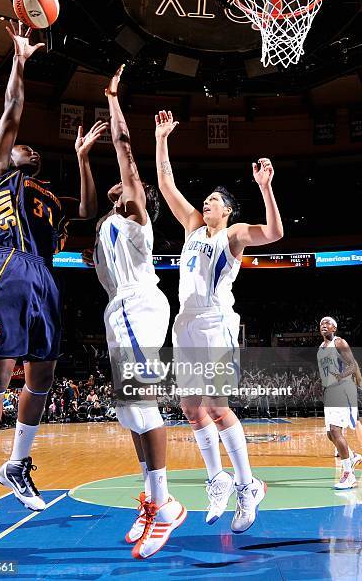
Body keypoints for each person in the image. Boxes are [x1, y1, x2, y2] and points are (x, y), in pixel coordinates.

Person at [0, 20, 108, 535]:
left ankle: (17, 465)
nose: (24, 147)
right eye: (18, 146)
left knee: (42, 377)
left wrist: (82, 159)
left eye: (31, 149)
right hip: (4, 266)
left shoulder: (48, 198)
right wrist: (20, 61)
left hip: (44, 278)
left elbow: (90, 210)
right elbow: (11, 112)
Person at [154, 109, 283, 532]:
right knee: (190, 408)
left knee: (216, 405)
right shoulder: (192, 226)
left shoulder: (234, 234)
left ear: (226, 211)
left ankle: (248, 485)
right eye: (205, 199)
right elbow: (166, 184)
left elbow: (275, 234)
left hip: (216, 322)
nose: (205, 202)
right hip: (186, 322)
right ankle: (218, 479)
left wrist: (266, 188)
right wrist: (161, 139)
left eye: (213, 200)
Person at [82, 67, 186, 559]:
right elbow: (84, 212)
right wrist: (82, 159)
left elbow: (124, 147)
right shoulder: (105, 230)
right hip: (116, 310)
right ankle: (155, 502)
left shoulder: (137, 220)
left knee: (142, 404)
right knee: (128, 411)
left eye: (125, 185)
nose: (119, 186)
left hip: (141, 305)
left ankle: (165, 509)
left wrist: (112, 97)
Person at [317, 316, 362, 489]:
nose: (324, 325)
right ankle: (352, 456)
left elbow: (353, 365)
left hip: (343, 390)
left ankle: (348, 475)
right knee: (330, 434)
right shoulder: (321, 348)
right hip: (331, 392)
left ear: (334, 329)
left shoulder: (340, 342)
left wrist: (341, 377)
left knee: (336, 431)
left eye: (328, 323)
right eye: (321, 324)